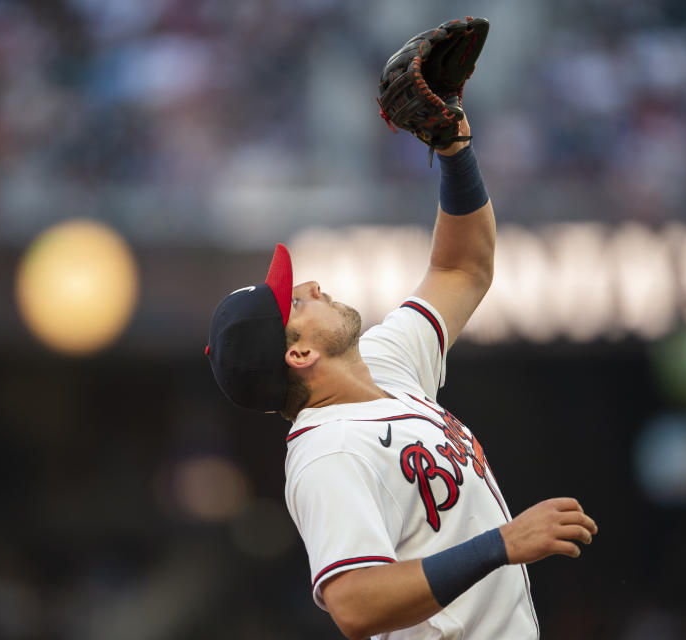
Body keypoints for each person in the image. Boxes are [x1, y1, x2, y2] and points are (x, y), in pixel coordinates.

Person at [206, 115, 598, 639]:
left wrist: (455, 151)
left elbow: (463, 269)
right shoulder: (329, 451)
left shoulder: (383, 363)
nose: (314, 285)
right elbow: (354, 605)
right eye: (297, 302)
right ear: (298, 353)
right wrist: (501, 543)